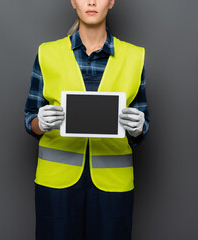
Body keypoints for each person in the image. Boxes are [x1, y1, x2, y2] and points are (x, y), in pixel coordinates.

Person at [24, 0, 150, 239]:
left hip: (113, 185)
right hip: (56, 185)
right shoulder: (47, 53)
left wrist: (137, 128)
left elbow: (143, 124)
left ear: (111, 2)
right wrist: (41, 122)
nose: (91, 2)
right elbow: (30, 117)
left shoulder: (135, 57)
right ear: (73, 1)